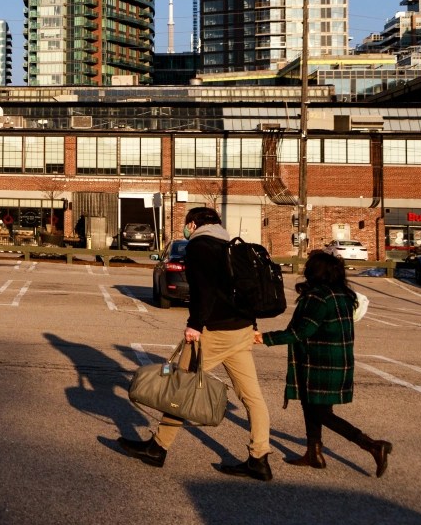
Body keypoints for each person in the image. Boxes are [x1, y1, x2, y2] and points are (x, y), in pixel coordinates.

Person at [118, 206, 273, 481]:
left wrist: (195, 325)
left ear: (192, 224)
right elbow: (246, 291)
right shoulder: (231, 246)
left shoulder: (199, 247)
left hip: (213, 331)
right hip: (241, 329)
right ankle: (259, 458)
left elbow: (204, 291)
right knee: (253, 397)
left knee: (181, 386)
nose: (185, 229)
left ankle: (158, 448)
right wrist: (253, 325)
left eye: (186, 224)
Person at [255, 250, 392, 475]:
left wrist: (265, 338)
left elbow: (302, 331)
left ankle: (372, 445)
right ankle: (314, 453)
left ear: (316, 272)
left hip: (319, 363)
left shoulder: (318, 297)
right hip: (338, 361)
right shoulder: (343, 295)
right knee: (314, 406)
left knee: (320, 412)